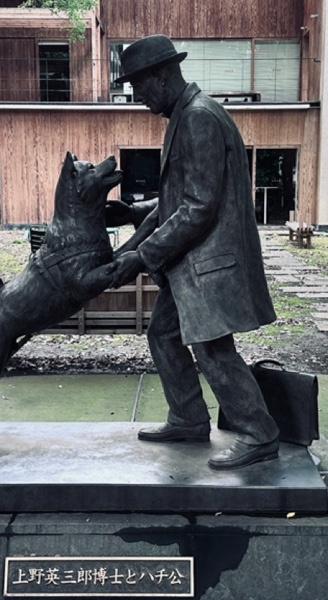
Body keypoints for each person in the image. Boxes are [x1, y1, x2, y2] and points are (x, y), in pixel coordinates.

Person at [106, 34, 280, 470]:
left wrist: (143, 255)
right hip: (193, 265)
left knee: (213, 349)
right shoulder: (185, 116)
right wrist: (134, 212)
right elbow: (182, 196)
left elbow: (198, 209)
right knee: (163, 335)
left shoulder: (199, 118)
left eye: (139, 87)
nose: (138, 97)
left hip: (209, 264)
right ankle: (188, 417)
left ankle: (260, 433)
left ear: (161, 76)